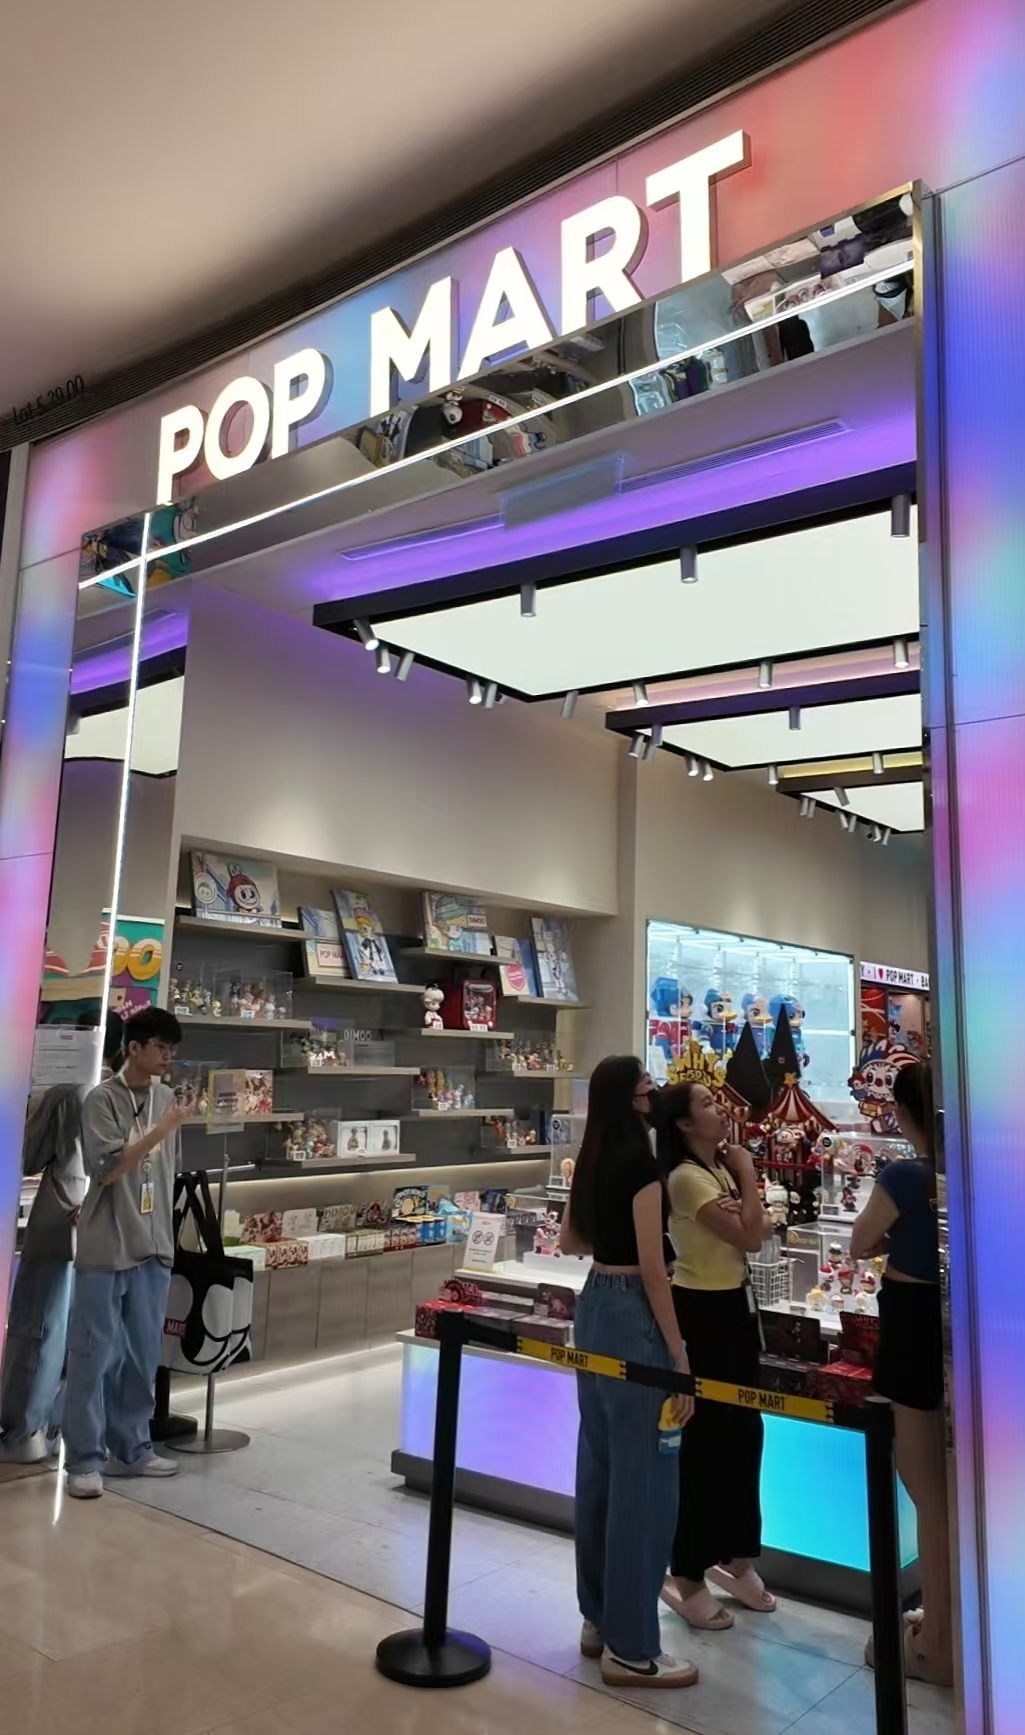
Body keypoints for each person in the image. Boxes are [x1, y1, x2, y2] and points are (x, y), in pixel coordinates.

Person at [559, 1055, 698, 1689]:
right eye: (645, 1085)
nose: (653, 1092)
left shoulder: (589, 1159)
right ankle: (633, 1646)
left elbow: (571, 1242)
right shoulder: (643, 1168)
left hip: (593, 1305)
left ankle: (597, 1618)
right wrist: (679, 1352)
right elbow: (653, 1271)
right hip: (634, 1316)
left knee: (600, 1469)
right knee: (645, 1481)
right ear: (631, 1100)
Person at [655, 1081, 777, 1629]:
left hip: (736, 1311)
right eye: (706, 1104)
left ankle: (737, 1556)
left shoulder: (718, 1172)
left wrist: (746, 1205)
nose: (720, 1108)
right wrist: (748, 1179)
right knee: (702, 1447)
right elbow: (752, 1236)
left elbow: (760, 1226)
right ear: (683, 1124)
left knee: (744, 1435)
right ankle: (687, 1573)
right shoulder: (686, 1178)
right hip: (701, 1316)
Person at [851, 1061, 952, 1687]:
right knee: (958, 1486)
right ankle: (952, 1619)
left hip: (911, 1330)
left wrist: (893, 1239)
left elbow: (860, 1242)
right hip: (962, 1333)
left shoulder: (905, 1175)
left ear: (907, 1112)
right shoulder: (970, 1172)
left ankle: (937, 1641)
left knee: (927, 1491)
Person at [62, 1005, 190, 1499]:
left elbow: (166, 1172)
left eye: (173, 1050)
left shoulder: (167, 1098)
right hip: (106, 1245)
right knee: (92, 1354)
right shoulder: (101, 1100)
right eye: (161, 1047)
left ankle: (132, 1449)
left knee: (142, 1356)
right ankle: (84, 1459)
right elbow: (107, 1169)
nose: (167, 1057)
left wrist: (166, 1236)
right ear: (134, 1048)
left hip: (153, 1245)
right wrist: (162, 1129)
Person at [0, 1010, 124, 1463]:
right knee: (88, 1330)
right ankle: (65, 1425)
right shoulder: (129, 1096)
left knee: (39, 1324)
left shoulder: (69, 1092)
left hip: (59, 1216)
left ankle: (24, 1432)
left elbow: (29, 1156)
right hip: (110, 1225)